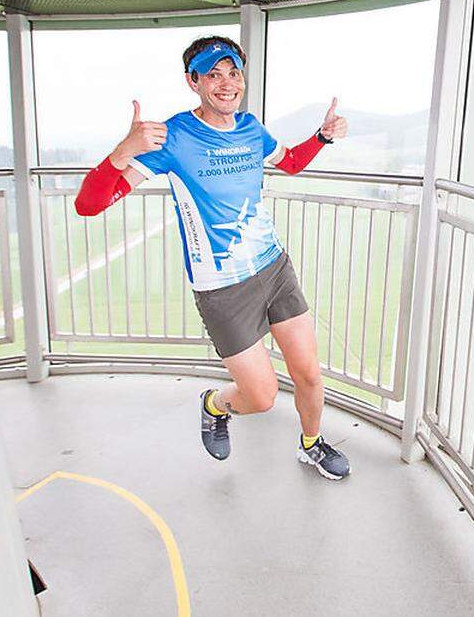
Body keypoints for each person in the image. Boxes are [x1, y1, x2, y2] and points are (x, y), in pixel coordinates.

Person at [73, 35, 351, 480]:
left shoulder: (251, 128)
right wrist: (123, 150)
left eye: (233, 73)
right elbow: (89, 205)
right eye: (213, 75)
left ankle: (311, 443)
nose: (226, 84)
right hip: (223, 287)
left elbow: (291, 163)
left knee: (309, 376)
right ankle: (213, 404)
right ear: (193, 81)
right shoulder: (173, 137)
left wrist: (321, 136)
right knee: (260, 397)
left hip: (274, 268)